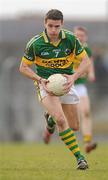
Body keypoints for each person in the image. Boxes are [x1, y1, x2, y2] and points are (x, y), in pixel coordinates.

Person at [19, 9, 90, 170]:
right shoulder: (35, 43)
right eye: (50, 26)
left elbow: (86, 61)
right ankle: (80, 158)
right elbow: (23, 67)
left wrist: (74, 77)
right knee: (60, 119)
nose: (53, 30)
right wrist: (40, 79)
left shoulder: (71, 39)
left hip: (66, 84)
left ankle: (49, 119)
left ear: (62, 24)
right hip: (46, 85)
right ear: (45, 24)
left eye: (56, 26)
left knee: (75, 126)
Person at [44, 26, 97, 153]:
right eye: (77, 35)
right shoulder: (68, 45)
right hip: (64, 85)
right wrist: (76, 73)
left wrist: (90, 73)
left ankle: (88, 142)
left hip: (79, 85)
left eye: (82, 35)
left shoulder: (87, 50)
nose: (79, 37)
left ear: (86, 38)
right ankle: (51, 121)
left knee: (85, 112)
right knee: (61, 116)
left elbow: (89, 62)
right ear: (73, 35)